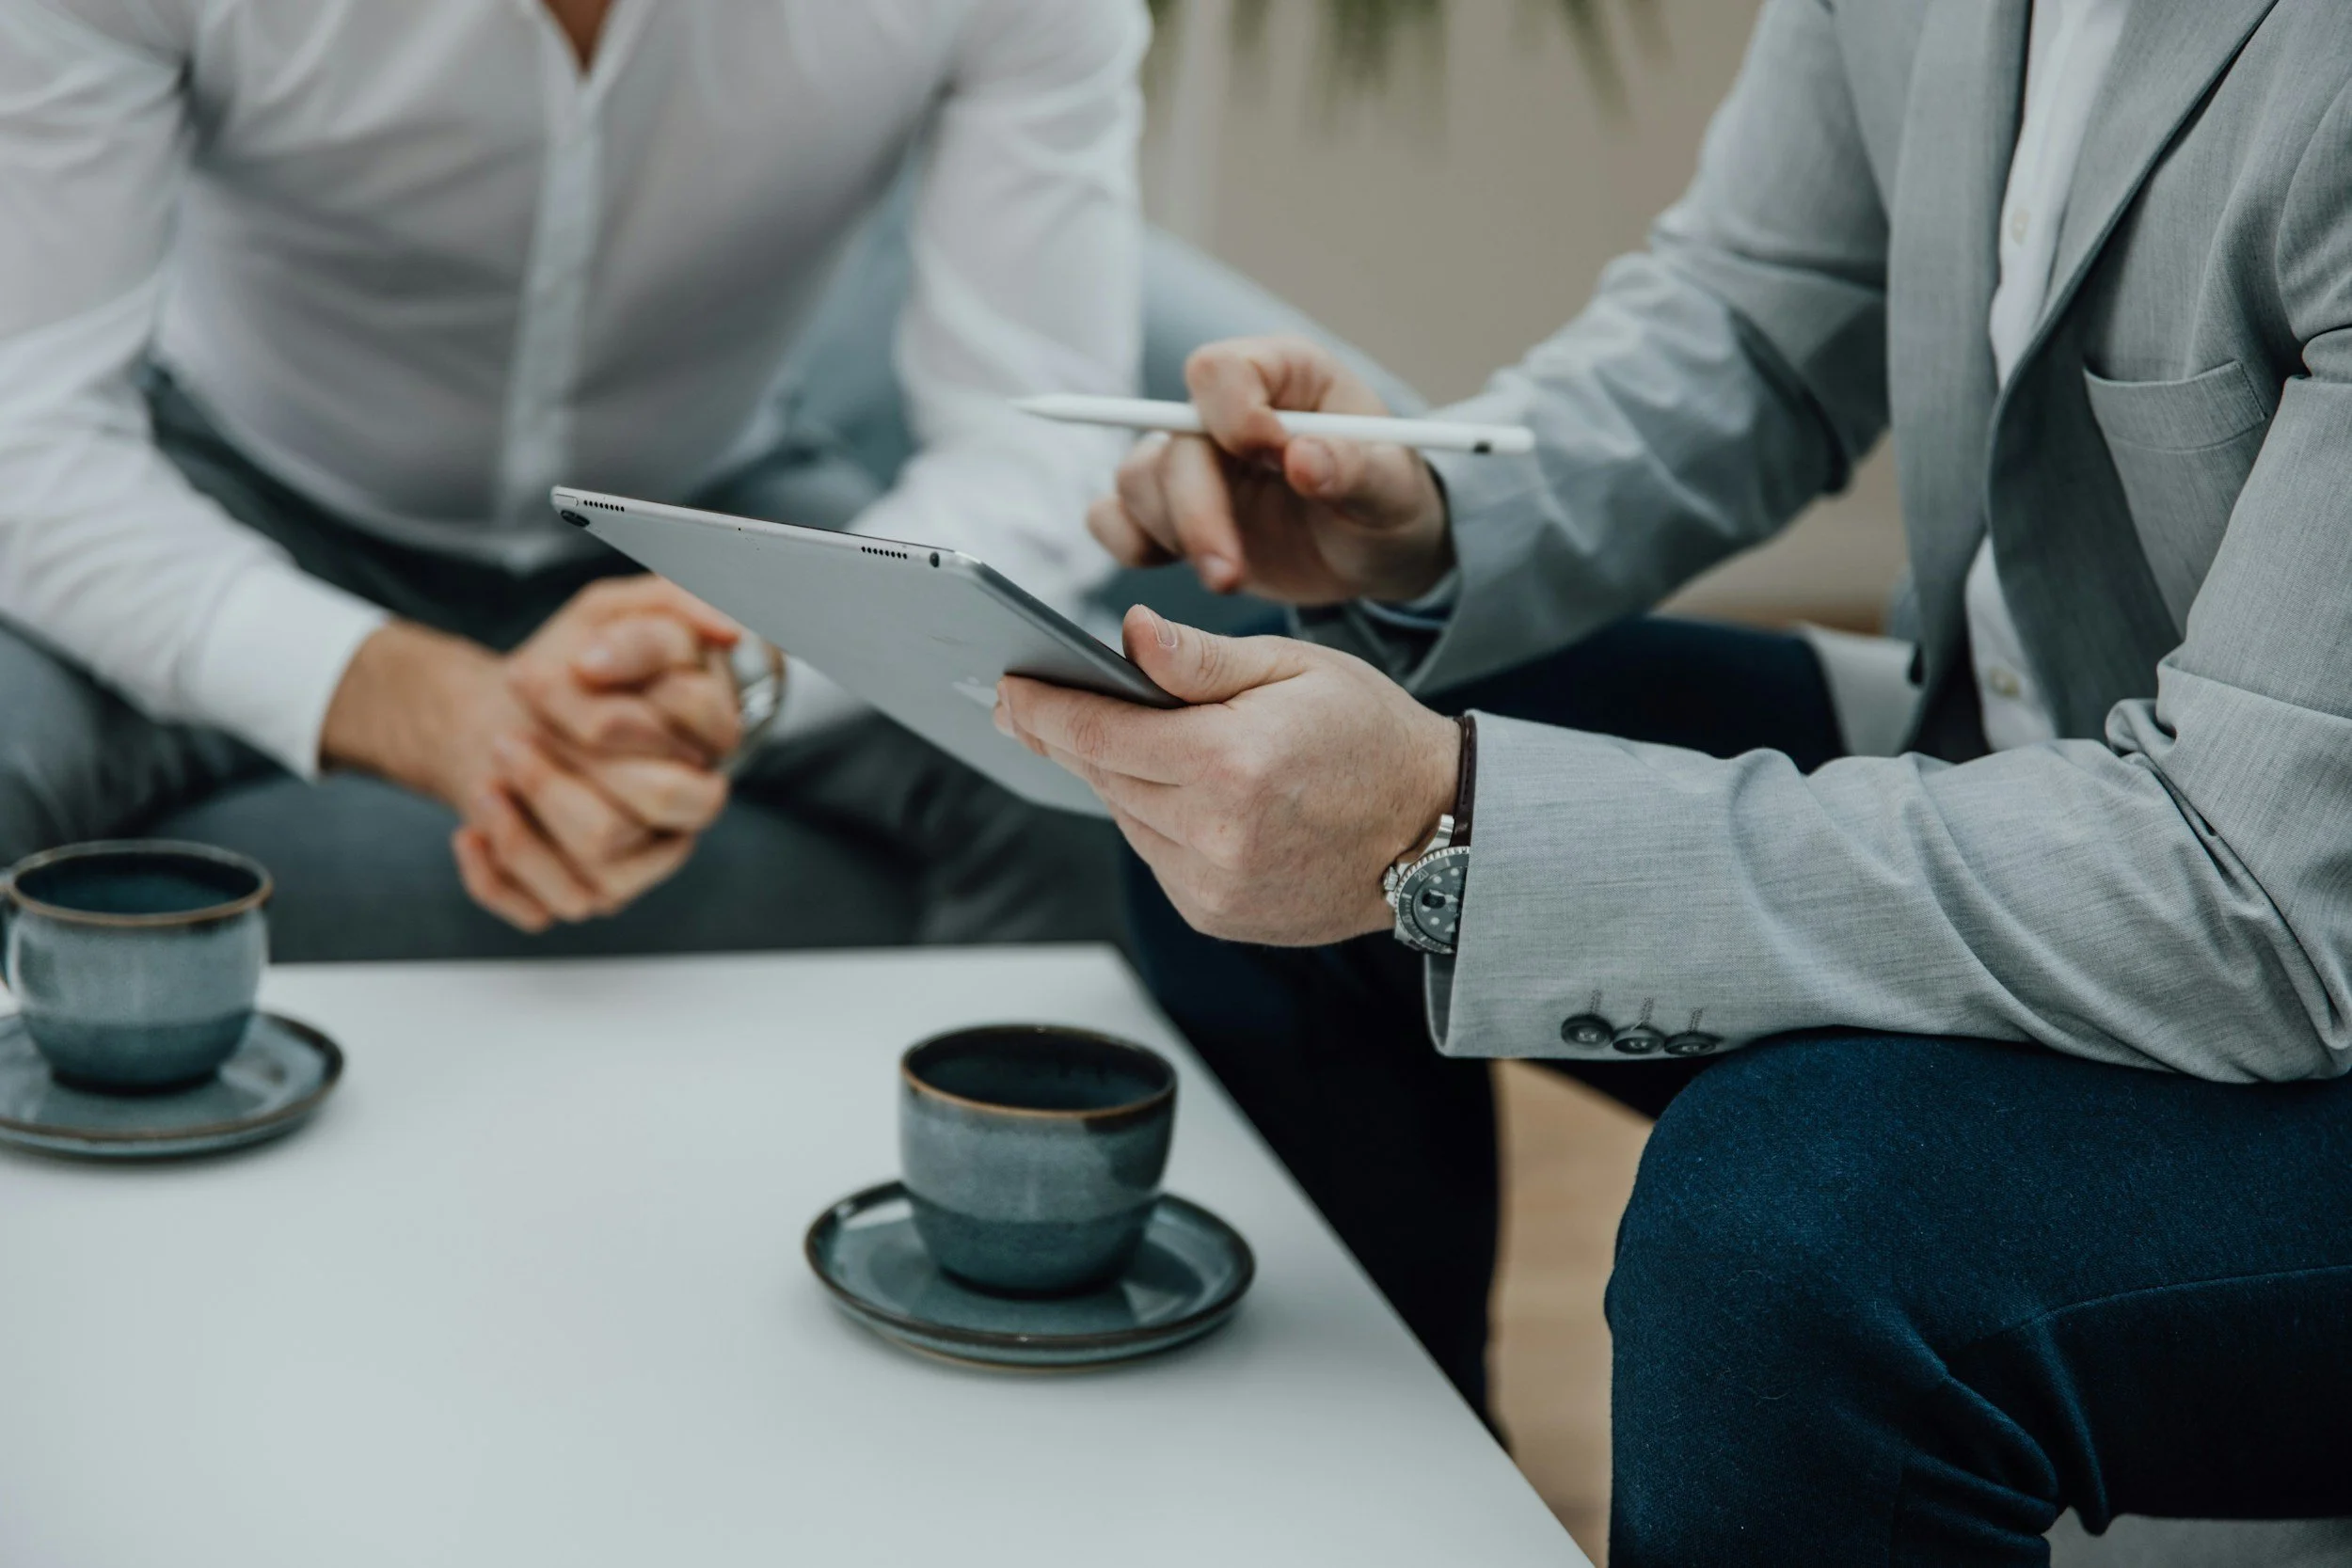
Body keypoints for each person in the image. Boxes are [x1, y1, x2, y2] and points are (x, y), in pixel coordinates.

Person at [993, 1, 2352, 1562]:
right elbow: (1761, 324)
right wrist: (1423, 516)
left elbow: (2258, 890)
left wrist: (1458, 828)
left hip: (2290, 939)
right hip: (2052, 786)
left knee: (1792, 1237)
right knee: (1266, 676)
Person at [0, 0, 1147, 947]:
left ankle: (996, 1212)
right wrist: (414, 700)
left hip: (714, 517)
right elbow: (25, 425)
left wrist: (743, 669)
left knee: (1064, 749)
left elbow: (1041, 438)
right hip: (240, 480)